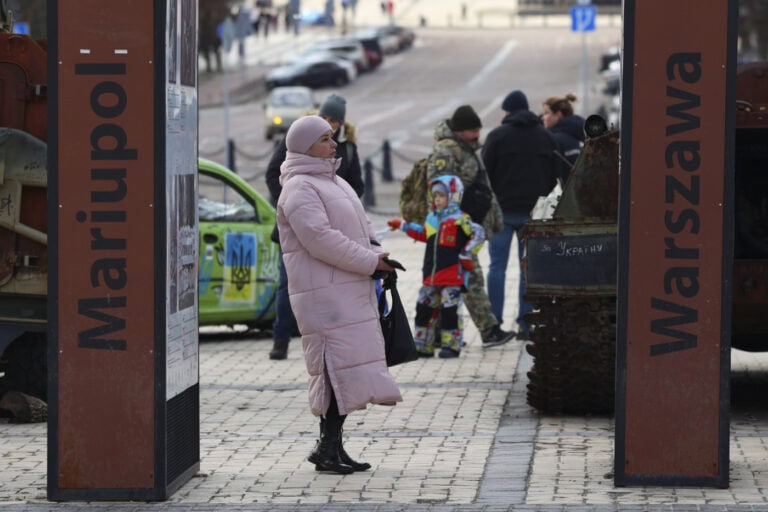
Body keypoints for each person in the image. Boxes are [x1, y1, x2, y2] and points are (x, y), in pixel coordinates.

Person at [276, 115, 402, 474]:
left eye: (332, 137)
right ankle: (327, 448)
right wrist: (369, 263)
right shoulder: (300, 187)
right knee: (334, 370)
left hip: (346, 291)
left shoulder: (333, 181)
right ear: (305, 146)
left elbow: (362, 228)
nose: (333, 144)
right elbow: (320, 240)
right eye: (325, 139)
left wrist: (378, 254)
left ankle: (332, 446)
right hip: (324, 297)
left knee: (344, 370)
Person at [265, 93, 364, 360]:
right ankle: (281, 339)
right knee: (288, 286)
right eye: (326, 118)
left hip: (332, 231)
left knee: (330, 288)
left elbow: (357, 185)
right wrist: (289, 203)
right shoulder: (300, 139)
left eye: (335, 121)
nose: (330, 125)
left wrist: (340, 205)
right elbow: (274, 173)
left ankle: (331, 342)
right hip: (297, 227)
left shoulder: (346, 148)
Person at [426, 105, 514, 348]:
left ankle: (441, 334)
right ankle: (489, 331)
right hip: (453, 230)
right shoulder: (446, 152)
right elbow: (437, 191)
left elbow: (482, 187)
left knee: (451, 281)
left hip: (465, 226)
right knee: (470, 278)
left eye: (478, 129)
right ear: (459, 130)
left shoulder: (467, 150)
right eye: (472, 130)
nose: (477, 134)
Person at [481, 90, 559, 340]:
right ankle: (526, 323)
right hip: (532, 213)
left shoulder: (497, 136)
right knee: (529, 269)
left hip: (502, 212)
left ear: (508, 111)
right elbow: (553, 176)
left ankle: (495, 321)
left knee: (497, 267)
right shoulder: (545, 137)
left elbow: (486, 174)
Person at [387, 175, 485, 358]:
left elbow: (478, 233)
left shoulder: (460, 219)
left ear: (453, 196)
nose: (437, 199)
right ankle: (422, 344)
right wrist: (402, 225)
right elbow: (423, 234)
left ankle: (452, 345)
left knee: (450, 311)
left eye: (441, 196)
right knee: (423, 308)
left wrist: (466, 254)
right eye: (435, 196)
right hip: (431, 274)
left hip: (452, 274)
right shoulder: (432, 218)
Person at [541, 93, 585, 183]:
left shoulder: (554, 139)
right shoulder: (584, 131)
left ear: (558, 114)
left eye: (546, 113)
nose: (543, 117)